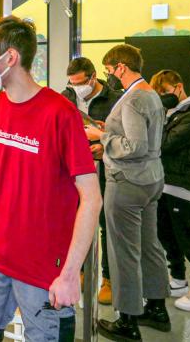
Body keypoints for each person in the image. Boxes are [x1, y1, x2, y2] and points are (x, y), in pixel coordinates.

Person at [0, 16, 101, 342]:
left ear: (10, 58)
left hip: (44, 266)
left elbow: (92, 198)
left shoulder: (60, 113)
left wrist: (69, 274)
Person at [84, 44, 170, 341]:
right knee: (149, 244)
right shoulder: (151, 95)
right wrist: (108, 136)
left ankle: (128, 320)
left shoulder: (132, 99)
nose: (110, 76)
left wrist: (101, 135)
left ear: (121, 66)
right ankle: (157, 308)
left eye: (110, 70)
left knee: (124, 253)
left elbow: (135, 147)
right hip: (151, 178)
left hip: (128, 182)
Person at [150, 69, 190, 311]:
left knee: (189, 237)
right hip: (164, 183)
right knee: (167, 234)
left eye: (165, 92)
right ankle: (178, 279)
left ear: (178, 87)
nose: (164, 97)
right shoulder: (172, 113)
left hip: (181, 185)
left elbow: (165, 144)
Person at [61, 56, 122, 304]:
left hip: (106, 171)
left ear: (93, 77)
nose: (76, 88)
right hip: (75, 171)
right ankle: (80, 271)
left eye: (80, 83)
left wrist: (102, 145)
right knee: (76, 221)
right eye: (72, 83)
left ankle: (108, 278)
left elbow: (123, 135)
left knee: (106, 224)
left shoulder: (115, 100)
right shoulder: (65, 97)